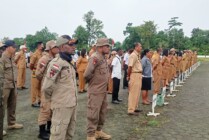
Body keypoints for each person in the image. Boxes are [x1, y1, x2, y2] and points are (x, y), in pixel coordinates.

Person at [42, 36, 78, 140]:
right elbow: (46, 87)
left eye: (74, 44)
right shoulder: (56, 63)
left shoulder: (68, 62)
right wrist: (55, 100)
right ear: (62, 46)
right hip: (61, 106)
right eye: (70, 45)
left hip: (72, 104)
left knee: (69, 134)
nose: (74, 47)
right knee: (58, 136)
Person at [84, 38, 111, 140]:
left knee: (102, 112)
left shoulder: (103, 57)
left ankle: (98, 131)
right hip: (95, 91)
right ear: (100, 47)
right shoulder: (95, 57)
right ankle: (90, 135)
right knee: (93, 113)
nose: (108, 48)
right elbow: (87, 74)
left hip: (103, 90)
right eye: (106, 46)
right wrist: (93, 84)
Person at [35, 40, 59, 140]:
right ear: (49, 48)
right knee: (45, 109)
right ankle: (41, 131)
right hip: (46, 88)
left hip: (54, 88)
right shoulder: (44, 59)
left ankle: (49, 128)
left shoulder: (55, 58)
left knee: (52, 109)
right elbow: (37, 75)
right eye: (55, 47)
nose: (57, 48)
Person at [0, 40, 23, 136]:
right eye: (13, 47)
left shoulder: (12, 57)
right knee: (2, 107)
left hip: (13, 84)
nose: (15, 48)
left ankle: (11, 123)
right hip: (5, 85)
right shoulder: (2, 58)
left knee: (12, 104)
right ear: (8, 47)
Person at [127, 42, 143, 116]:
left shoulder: (137, 55)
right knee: (133, 92)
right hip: (134, 74)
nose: (141, 48)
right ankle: (130, 109)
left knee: (137, 92)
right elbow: (130, 67)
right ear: (136, 47)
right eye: (140, 46)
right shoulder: (133, 55)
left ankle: (134, 107)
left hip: (138, 75)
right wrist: (128, 76)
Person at [30, 41, 43, 107]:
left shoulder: (41, 53)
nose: (43, 46)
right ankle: (33, 102)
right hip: (35, 71)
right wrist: (34, 70)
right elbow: (31, 64)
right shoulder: (35, 54)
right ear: (39, 46)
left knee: (40, 86)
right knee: (34, 87)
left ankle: (40, 100)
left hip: (40, 72)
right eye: (42, 45)